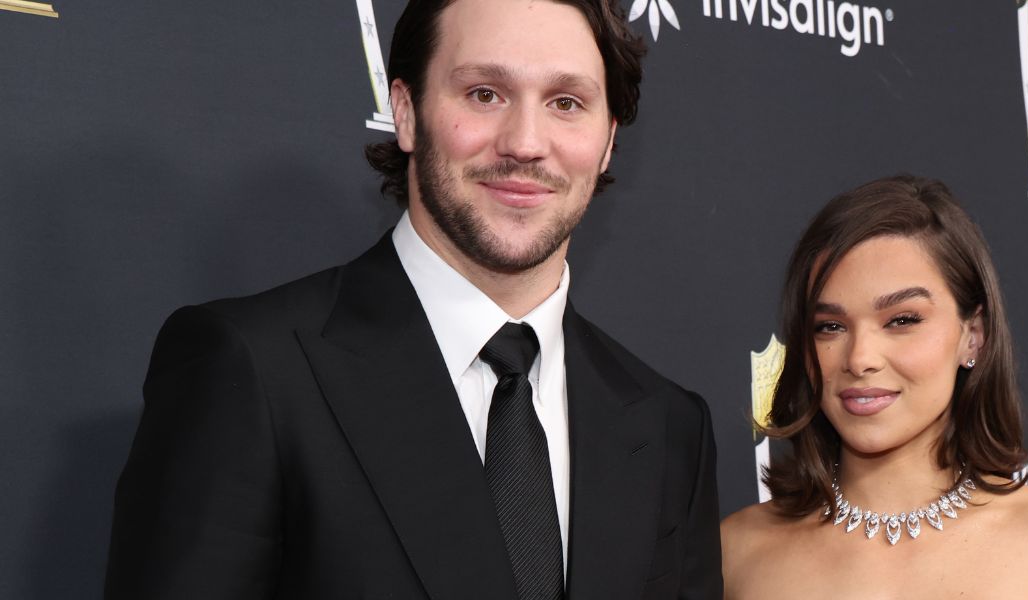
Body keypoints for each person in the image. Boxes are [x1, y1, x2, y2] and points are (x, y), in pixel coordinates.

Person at [103, 0, 722, 598]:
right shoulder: (254, 369)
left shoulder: (669, 424)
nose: (526, 142)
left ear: (608, 140)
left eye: (566, 103)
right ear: (406, 112)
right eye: (485, 93)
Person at [720, 175, 1028, 599]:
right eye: (830, 326)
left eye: (902, 320)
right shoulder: (736, 554)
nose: (860, 358)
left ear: (973, 336)